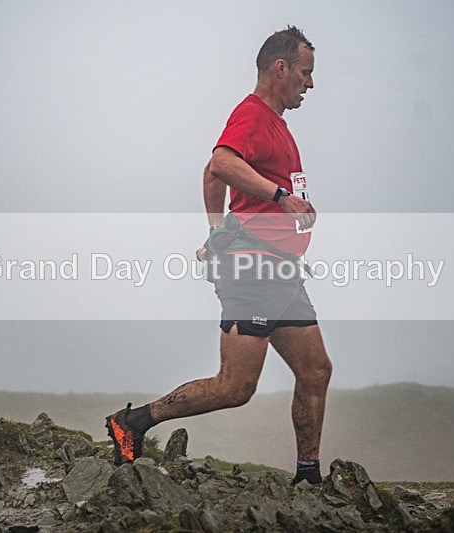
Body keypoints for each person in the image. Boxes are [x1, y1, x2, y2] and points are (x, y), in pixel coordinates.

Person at [106, 25, 332, 485]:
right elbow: (221, 164)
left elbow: (213, 177)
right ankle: (132, 424)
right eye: (305, 73)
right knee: (236, 386)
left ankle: (308, 475)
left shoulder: (278, 128)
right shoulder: (252, 115)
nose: (311, 83)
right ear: (280, 68)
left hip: (281, 272)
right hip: (255, 270)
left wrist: (215, 230)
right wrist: (280, 197)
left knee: (316, 370)